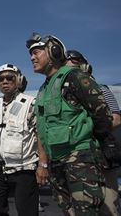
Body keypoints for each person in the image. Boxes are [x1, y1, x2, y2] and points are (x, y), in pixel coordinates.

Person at [26, 33, 113, 215]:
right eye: (30, 54)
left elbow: (102, 114)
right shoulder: (43, 91)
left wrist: (89, 143)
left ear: (54, 51)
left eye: (36, 52)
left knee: (86, 211)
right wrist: (43, 163)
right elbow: (41, 129)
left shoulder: (75, 77)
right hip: (56, 162)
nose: (32, 57)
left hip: (80, 159)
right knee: (68, 211)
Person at [0, 63, 49, 216]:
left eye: (9, 78)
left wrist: (43, 164)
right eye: (1, 79)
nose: (4, 81)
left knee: (26, 210)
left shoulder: (30, 104)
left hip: (24, 167)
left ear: (18, 80)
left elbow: (41, 134)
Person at [66, 49, 121, 216]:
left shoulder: (101, 89)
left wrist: (87, 134)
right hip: (77, 160)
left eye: (74, 66)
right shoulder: (65, 95)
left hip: (101, 155)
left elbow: (116, 118)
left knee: (108, 206)